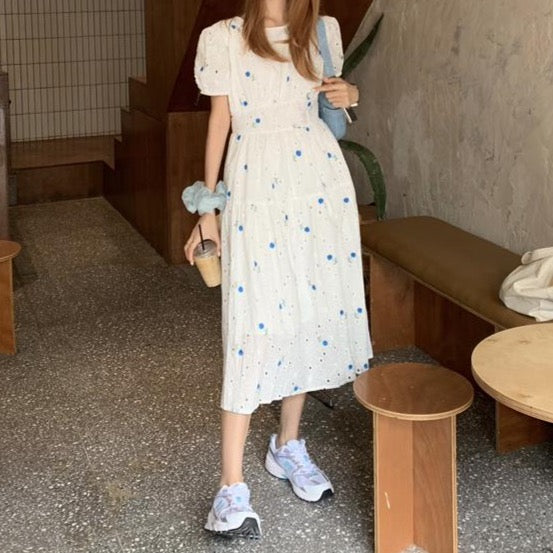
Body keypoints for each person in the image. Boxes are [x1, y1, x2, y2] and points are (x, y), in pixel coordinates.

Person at [184, 0, 373, 539]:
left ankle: (287, 444)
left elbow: (332, 106)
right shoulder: (223, 37)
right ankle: (230, 487)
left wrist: (350, 94)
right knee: (251, 325)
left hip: (318, 185)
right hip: (254, 183)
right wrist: (208, 211)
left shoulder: (324, 31)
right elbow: (220, 122)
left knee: (306, 313)